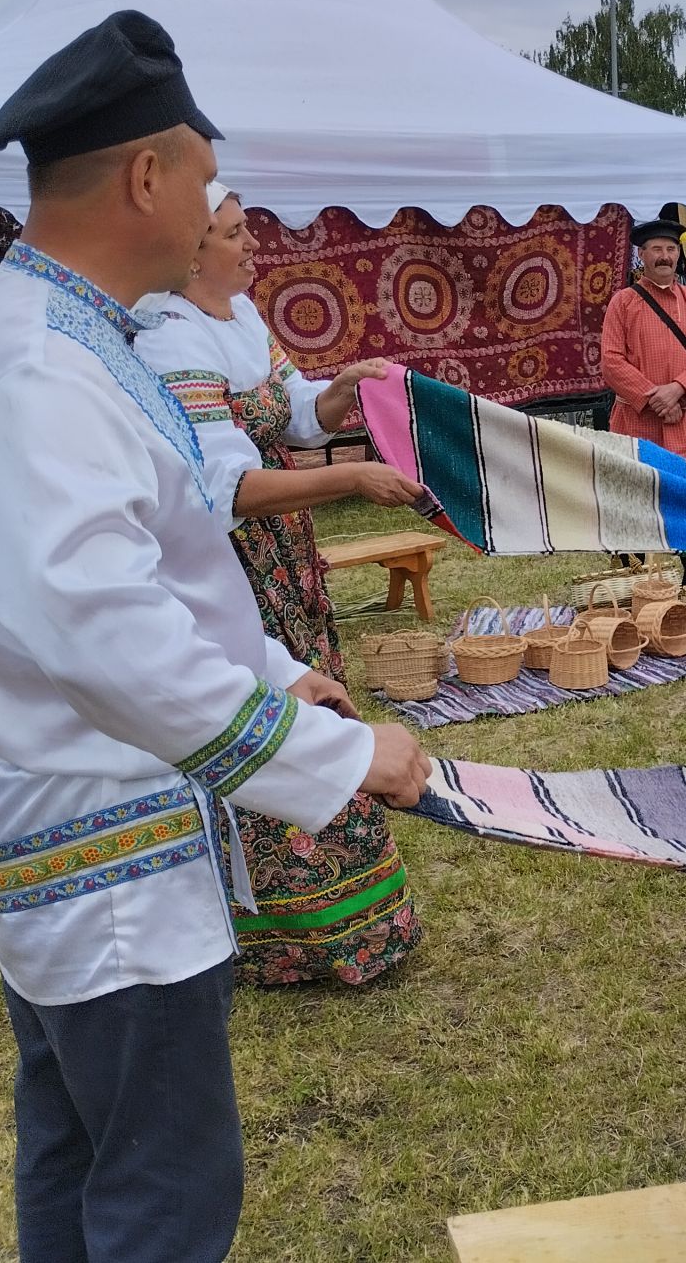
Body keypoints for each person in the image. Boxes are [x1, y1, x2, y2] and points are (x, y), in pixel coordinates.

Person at [0, 11, 430, 1261]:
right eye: (203, 174)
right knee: (162, 1190)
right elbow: (106, 634)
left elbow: (152, 546)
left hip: (73, 825)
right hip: (103, 847)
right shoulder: (42, 369)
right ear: (147, 175)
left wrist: (271, 666)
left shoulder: (63, 336)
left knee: (85, 1155)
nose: (212, 205)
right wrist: (338, 762)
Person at [136, 188, 426, 985]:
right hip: (232, 566)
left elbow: (294, 413)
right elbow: (224, 488)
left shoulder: (240, 318)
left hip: (281, 557)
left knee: (319, 703)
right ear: (190, 251)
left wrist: (342, 389)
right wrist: (352, 479)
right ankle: (284, 940)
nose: (253, 247)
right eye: (235, 235)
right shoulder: (166, 340)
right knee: (275, 715)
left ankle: (354, 917)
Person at [602, 208, 686, 583]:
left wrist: (678, 390)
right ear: (642, 255)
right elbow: (610, 361)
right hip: (638, 423)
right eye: (657, 249)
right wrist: (654, 398)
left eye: (670, 249)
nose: (665, 257)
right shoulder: (623, 302)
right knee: (633, 504)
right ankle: (634, 592)